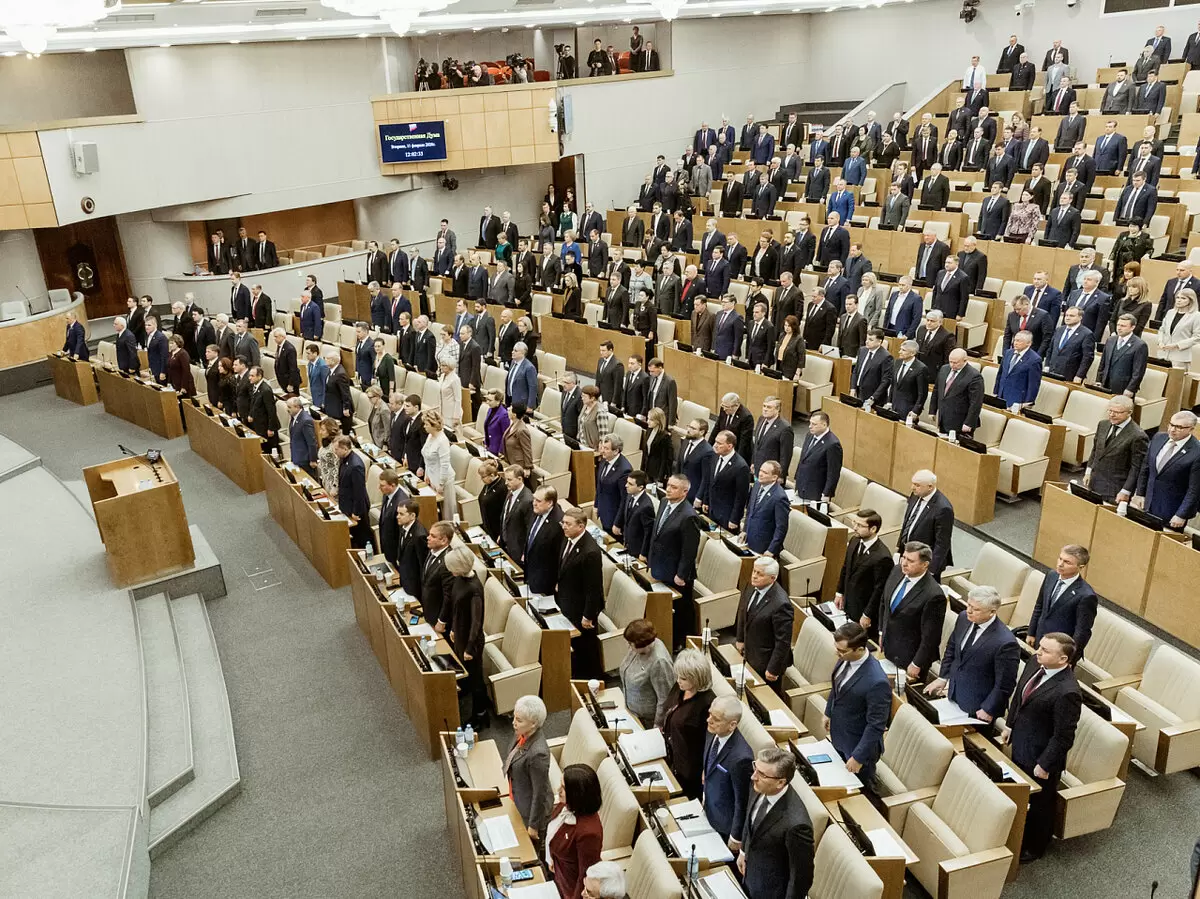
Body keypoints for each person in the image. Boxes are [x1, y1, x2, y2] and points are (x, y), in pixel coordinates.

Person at [1001, 633, 1082, 862]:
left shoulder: (1068, 692)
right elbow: (1020, 695)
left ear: (1063, 659)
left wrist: (1045, 764)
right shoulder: (1034, 663)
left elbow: (1064, 736)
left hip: (1041, 757)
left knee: (1040, 804)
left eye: (1046, 650)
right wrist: (1009, 724)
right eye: (1040, 647)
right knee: (1021, 794)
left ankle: (1036, 847)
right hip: (1021, 742)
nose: (1038, 651)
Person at [737, 747, 815, 899]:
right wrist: (743, 852)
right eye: (755, 768)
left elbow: (801, 877)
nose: (753, 776)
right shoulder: (758, 785)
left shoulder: (797, 825)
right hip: (750, 877)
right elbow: (750, 819)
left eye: (762, 774)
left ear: (780, 782)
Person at [822, 622, 890, 783]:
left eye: (842, 651)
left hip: (857, 747)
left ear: (859, 649)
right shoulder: (845, 658)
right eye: (836, 648)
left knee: (861, 789)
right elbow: (837, 686)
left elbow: (876, 725)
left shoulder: (877, 681)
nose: (837, 653)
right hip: (839, 735)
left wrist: (858, 757)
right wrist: (828, 711)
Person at [868, 541, 946, 678]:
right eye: (903, 557)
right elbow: (884, 602)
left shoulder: (934, 595)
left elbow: (930, 637)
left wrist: (917, 663)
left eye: (910, 561)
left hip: (910, 659)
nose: (904, 563)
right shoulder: (897, 570)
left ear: (925, 564)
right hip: (888, 648)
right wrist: (881, 631)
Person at [701, 695, 755, 850]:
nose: (709, 720)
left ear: (732, 725)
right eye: (710, 714)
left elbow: (742, 801)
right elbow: (711, 762)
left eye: (716, 719)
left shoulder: (741, 758)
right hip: (708, 808)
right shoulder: (713, 730)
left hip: (724, 825)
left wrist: (736, 835)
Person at [1027, 544, 1098, 659]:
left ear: (1081, 567)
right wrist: (1031, 632)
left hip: (1059, 651)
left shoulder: (1086, 595)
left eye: (1067, 562)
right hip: (1039, 639)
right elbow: (1040, 605)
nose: (1060, 564)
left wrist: (1069, 658)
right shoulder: (1051, 575)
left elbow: (1082, 632)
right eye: (1060, 558)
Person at [558, 507, 605, 679]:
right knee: (577, 645)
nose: (564, 526)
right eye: (563, 523)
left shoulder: (590, 552)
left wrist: (588, 615)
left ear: (581, 526)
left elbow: (594, 587)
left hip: (582, 607)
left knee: (586, 647)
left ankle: (592, 679)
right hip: (568, 598)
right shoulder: (568, 539)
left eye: (568, 524)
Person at [662, 649, 716, 799]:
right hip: (670, 754)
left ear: (697, 678)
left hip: (689, 768)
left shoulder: (708, 704)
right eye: (678, 676)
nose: (678, 680)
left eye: (684, 678)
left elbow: (710, 742)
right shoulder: (680, 688)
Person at [734, 556, 793, 693]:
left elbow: (783, 641)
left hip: (766, 661)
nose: (754, 576)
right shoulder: (751, 585)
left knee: (764, 697)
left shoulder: (781, 604)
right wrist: (740, 639)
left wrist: (773, 668)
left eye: (759, 574)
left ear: (772, 578)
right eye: (754, 571)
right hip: (749, 652)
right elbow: (743, 611)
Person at [546, 763, 604, 899]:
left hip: (570, 889)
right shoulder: (568, 805)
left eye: (564, 788)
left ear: (576, 794)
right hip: (557, 873)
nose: (558, 790)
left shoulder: (589, 833)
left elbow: (585, 875)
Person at [504, 695, 554, 845]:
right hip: (518, 795)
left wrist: (533, 825)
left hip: (530, 812)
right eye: (514, 717)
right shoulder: (522, 733)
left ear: (533, 724)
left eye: (519, 720)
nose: (514, 723)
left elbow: (540, 792)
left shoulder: (538, 754)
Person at [1085, 396, 1149, 503]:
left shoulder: (1138, 436)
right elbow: (1096, 449)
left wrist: (1126, 491)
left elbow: (1136, 468)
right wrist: (1088, 471)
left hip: (1115, 490)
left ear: (1129, 413)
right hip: (1094, 482)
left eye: (1117, 412)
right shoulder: (1103, 424)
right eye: (1110, 411)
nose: (1112, 415)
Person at [897, 470, 955, 579]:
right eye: (913, 483)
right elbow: (908, 522)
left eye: (917, 485)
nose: (912, 487)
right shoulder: (915, 495)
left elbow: (942, 543)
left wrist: (931, 569)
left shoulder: (943, 508)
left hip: (924, 561)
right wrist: (901, 548)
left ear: (930, 487)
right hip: (908, 553)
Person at [619, 619, 675, 727]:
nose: (628, 646)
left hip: (647, 722)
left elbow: (665, 698)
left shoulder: (659, 662)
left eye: (630, 644)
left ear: (641, 644)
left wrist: (658, 725)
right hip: (632, 713)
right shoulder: (637, 649)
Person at [930, 348, 983, 436]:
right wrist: (932, 410)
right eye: (950, 362)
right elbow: (936, 390)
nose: (952, 365)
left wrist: (969, 423)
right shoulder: (944, 369)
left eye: (955, 363)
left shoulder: (974, 376)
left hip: (961, 423)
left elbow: (976, 402)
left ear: (965, 360)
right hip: (943, 418)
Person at [793, 411, 842, 504]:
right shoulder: (809, 435)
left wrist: (827, 493)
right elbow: (803, 459)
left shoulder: (833, 444)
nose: (810, 426)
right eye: (810, 423)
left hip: (816, 492)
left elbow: (833, 472)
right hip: (801, 486)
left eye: (814, 424)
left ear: (824, 425)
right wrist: (796, 478)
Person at [333, 436, 371, 548]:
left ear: (345, 448)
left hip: (357, 508)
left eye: (336, 449)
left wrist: (356, 511)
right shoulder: (343, 459)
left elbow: (359, 491)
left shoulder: (356, 466)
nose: (335, 452)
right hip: (346, 504)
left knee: (361, 538)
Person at [420, 409, 454, 519]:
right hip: (432, 475)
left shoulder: (442, 441)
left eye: (426, 424)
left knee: (446, 512)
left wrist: (441, 484)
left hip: (443, 479)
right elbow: (426, 456)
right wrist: (427, 474)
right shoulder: (430, 436)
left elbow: (445, 465)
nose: (424, 426)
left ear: (433, 425)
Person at [286, 397, 318, 477]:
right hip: (296, 456)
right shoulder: (294, 417)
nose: (287, 409)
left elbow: (312, 442)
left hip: (305, 460)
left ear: (297, 407)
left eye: (289, 407)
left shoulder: (305, 420)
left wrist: (313, 460)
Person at [476, 459, 506, 542]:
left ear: (492, 475)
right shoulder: (488, 484)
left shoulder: (502, 487)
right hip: (487, 525)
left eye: (483, 477)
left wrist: (501, 533)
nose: (481, 479)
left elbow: (505, 512)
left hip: (497, 530)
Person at [316, 418, 341, 497]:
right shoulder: (325, 442)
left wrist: (335, 486)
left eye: (323, 430)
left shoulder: (335, 446)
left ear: (330, 430)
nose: (320, 432)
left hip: (333, 484)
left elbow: (338, 467)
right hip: (326, 480)